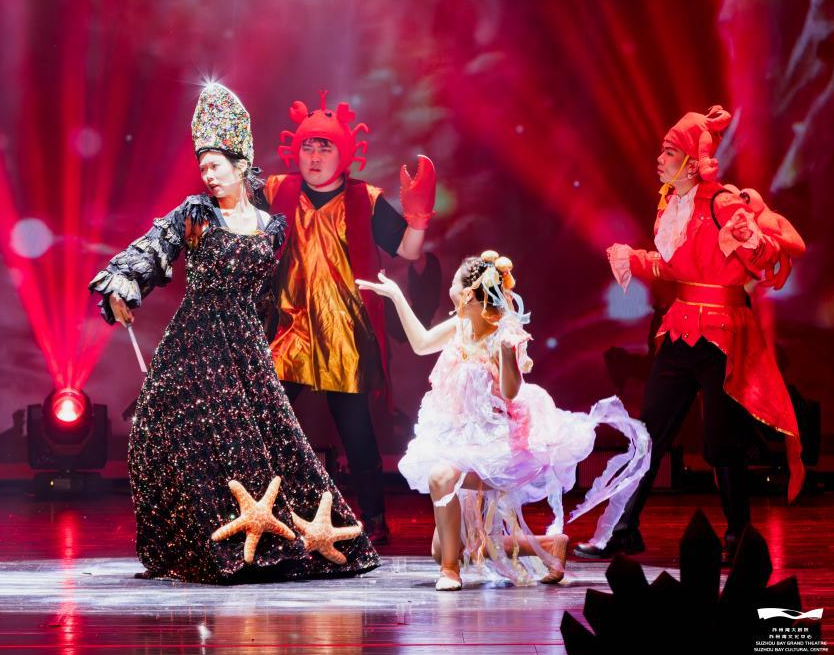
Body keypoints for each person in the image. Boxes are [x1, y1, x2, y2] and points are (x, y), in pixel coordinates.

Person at [89, 83, 379, 584]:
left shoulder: (271, 226)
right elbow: (153, 248)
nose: (207, 174)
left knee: (257, 440)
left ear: (240, 164)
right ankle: (182, 542)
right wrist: (123, 287)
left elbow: (278, 290)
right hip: (194, 341)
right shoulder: (195, 214)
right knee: (156, 432)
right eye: (202, 167)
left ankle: (283, 542)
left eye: (215, 165)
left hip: (244, 343)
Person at [574, 106, 806, 564]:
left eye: (669, 152)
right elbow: (677, 268)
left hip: (722, 336)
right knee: (648, 435)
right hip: (681, 331)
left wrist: (750, 239)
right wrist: (635, 259)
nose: (659, 159)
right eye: (662, 151)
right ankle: (622, 530)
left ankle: (738, 538)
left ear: (691, 162)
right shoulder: (671, 206)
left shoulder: (722, 204)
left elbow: (760, 264)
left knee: (721, 443)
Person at [357, 252, 649, 590]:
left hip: (492, 442)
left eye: (454, 284)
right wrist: (395, 294)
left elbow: (511, 392)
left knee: (440, 478)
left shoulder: (502, 335)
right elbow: (422, 344)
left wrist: (508, 355)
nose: (449, 289)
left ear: (469, 295)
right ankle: (547, 546)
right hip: (458, 437)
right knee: (443, 547)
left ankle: (450, 572)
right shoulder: (461, 326)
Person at [263, 92, 437, 545]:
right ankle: (262, 513)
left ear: (343, 154)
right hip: (290, 328)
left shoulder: (365, 199)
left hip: (344, 330)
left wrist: (418, 217)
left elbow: (409, 252)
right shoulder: (277, 191)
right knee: (265, 421)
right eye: (308, 147)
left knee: (356, 430)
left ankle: (375, 519)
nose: (314, 157)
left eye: (325, 148)